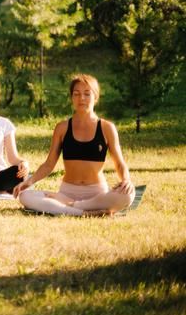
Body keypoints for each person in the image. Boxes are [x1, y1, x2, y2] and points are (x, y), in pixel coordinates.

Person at [13, 74, 136, 216]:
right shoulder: (62, 128)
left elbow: (120, 164)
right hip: (66, 193)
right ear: (71, 98)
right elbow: (49, 165)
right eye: (76, 94)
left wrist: (126, 180)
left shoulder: (107, 127)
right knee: (25, 196)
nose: (81, 98)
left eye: (87, 94)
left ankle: (74, 208)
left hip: (97, 193)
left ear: (95, 97)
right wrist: (28, 182)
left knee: (128, 195)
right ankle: (83, 212)